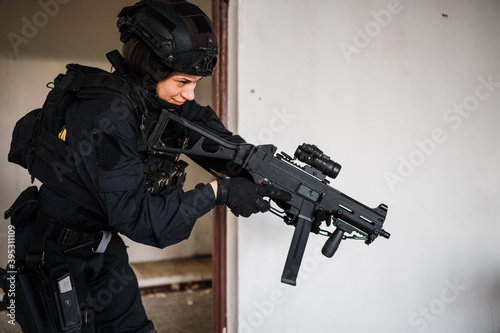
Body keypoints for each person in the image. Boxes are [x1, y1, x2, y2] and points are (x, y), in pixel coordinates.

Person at [6, 1, 290, 332]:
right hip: (54, 254)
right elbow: (139, 218)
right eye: (183, 82)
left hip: (100, 245)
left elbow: (207, 132)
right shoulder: (106, 113)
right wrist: (220, 191)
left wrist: (263, 172)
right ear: (152, 67)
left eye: (195, 84)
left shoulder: (156, 101)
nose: (189, 94)